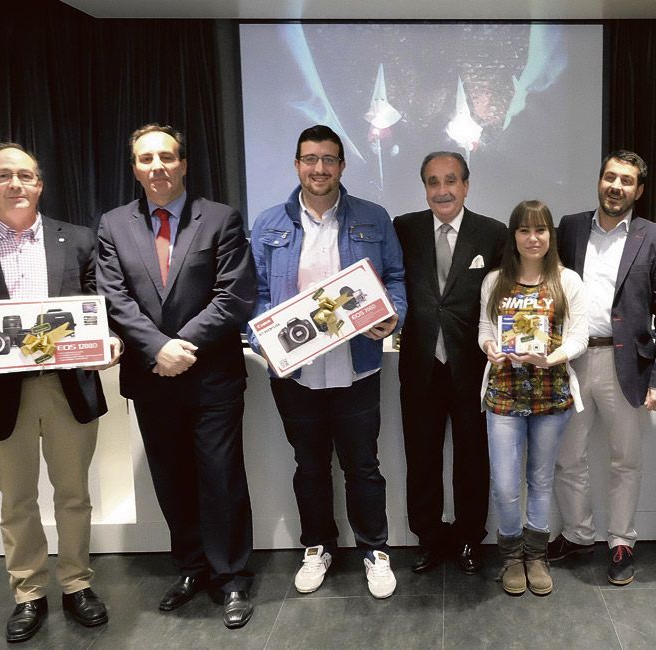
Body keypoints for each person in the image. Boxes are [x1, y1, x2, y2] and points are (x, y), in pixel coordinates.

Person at [0, 143, 120, 642]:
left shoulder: (76, 240)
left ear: (40, 184)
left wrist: (110, 337)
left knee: (74, 496)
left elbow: (100, 306)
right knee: (16, 501)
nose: (17, 184)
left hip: (67, 389)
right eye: (5, 176)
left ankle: (77, 583)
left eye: (27, 176)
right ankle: (28, 593)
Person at [96, 124, 258, 628]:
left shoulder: (222, 219)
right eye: (146, 159)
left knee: (221, 477)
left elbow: (235, 295)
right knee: (171, 478)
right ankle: (191, 568)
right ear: (135, 169)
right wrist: (157, 349)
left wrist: (178, 344)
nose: (157, 167)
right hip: (152, 377)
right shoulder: (113, 225)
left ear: (184, 164)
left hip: (211, 375)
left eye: (166, 157)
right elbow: (113, 298)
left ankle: (231, 577)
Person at [250, 124, 407, 599]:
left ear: (342, 165)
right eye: (310, 159)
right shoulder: (269, 224)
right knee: (310, 464)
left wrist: (392, 316)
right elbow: (254, 295)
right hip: (295, 373)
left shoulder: (374, 218)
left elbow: (396, 278)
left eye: (329, 160)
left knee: (363, 464)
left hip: (357, 366)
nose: (319, 169)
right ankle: (317, 545)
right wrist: (264, 341)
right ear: (297, 164)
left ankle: (374, 550)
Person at [548, 150, 656, 585]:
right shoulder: (569, 228)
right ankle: (578, 533)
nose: (615, 187)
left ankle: (622, 540)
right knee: (567, 457)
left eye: (626, 181)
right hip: (573, 359)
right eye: (609, 177)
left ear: (638, 190)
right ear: (599, 180)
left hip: (628, 364)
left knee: (626, 460)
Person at [394, 152, 506, 575]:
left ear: (466, 184)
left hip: (473, 366)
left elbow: (504, 297)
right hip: (419, 363)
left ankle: (469, 538)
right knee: (421, 455)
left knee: (473, 457)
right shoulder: (403, 229)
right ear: (424, 186)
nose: (442, 190)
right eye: (433, 182)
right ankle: (427, 537)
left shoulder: (492, 234)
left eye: (451, 181)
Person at [478, 200, 587, 596]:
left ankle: (536, 555)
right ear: (514, 236)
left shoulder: (567, 281)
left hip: (550, 392)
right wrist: (490, 346)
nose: (533, 238)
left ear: (551, 236)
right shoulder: (495, 281)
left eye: (541, 230)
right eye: (524, 230)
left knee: (540, 479)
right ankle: (511, 556)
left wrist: (550, 357)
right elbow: (484, 328)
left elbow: (580, 337)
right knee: (506, 484)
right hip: (503, 394)